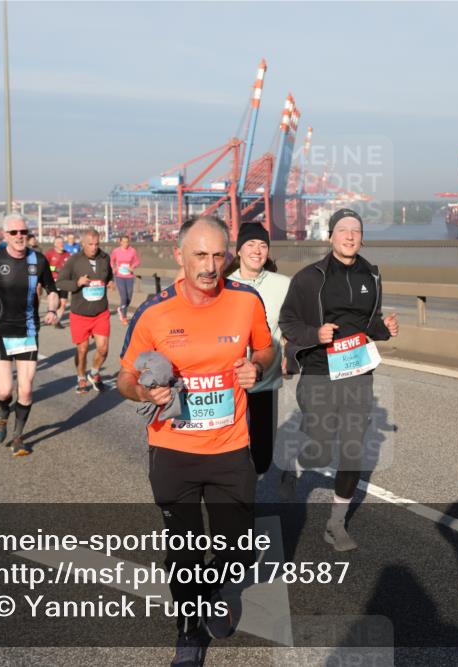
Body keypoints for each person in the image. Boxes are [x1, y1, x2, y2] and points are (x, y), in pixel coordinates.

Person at [117, 215, 274, 665]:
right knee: (183, 548)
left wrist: (257, 367)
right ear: (178, 257)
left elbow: (266, 348)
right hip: (174, 451)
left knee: (236, 549)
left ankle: (215, 588)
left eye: (218, 255)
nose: (209, 266)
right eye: (199, 255)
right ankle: (188, 631)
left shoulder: (246, 301)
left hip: (230, 450)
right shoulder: (154, 313)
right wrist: (145, 392)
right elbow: (123, 379)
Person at [278, 208, 399, 551]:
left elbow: (369, 323)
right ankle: (294, 456)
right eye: (342, 230)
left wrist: (384, 330)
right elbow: (288, 322)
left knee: (353, 448)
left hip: (358, 370)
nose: (349, 236)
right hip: (318, 369)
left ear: (362, 238)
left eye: (356, 231)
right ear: (330, 236)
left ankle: (336, 523)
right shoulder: (308, 278)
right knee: (318, 444)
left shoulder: (372, 276)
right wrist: (315, 333)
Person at [0, 214, 60, 457]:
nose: (20, 236)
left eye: (24, 232)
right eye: (14, 233)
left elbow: (52, 289)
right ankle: (2, 411)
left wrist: (52, 308)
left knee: (27, 390)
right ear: (5, 235)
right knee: (4, 390)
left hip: (28, 331)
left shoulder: (38, 260)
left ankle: (18, 437)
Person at [224, 222, 290, 476]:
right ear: (239, 250)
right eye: (250, 244)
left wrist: (290, 350)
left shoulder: (283, 284)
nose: (257, 250)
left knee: (262, 456)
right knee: (232, 450)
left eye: (263, 245)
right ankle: (237, 505)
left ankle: (250, 495)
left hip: (264, 378)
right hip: (229, 382)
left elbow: (294, 324)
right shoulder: (223, 285)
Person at [55, 228, 113, 393]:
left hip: (101, 312)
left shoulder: (104, 258)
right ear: (83, 244)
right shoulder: (74, 260)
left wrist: (110, 281)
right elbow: (60, 282)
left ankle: (94, 373)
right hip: (80, 313)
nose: (94, 247)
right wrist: (77, 283)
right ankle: (81, 377)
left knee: (103, 348)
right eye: (90, 244)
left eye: (96, 244)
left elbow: (109, 275)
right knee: (82, 349)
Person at [110, 234, 140, 324]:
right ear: (120, 242)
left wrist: (133, 267)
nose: (125, 244)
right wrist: (113, 268)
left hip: (129, 276)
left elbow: (137, 261)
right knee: (124, 297)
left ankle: (121, 308)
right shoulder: (116, 251)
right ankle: (124, 317)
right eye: (123, 242)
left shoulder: (132, 251)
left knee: (129, 297)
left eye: (127, 242)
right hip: (119, 276)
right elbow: (111, 261)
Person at [43, 236, 70, 328]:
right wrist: (55, 269)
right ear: (55, 244)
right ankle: (51, 313)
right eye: (59, 243)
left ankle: (57, 321)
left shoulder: (67, 254)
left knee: (63, 303)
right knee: (55, 301)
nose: (61, 244)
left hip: (64, 281)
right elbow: (45, 266)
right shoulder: (49, 253)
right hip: (52, 281)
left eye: (62, 242)